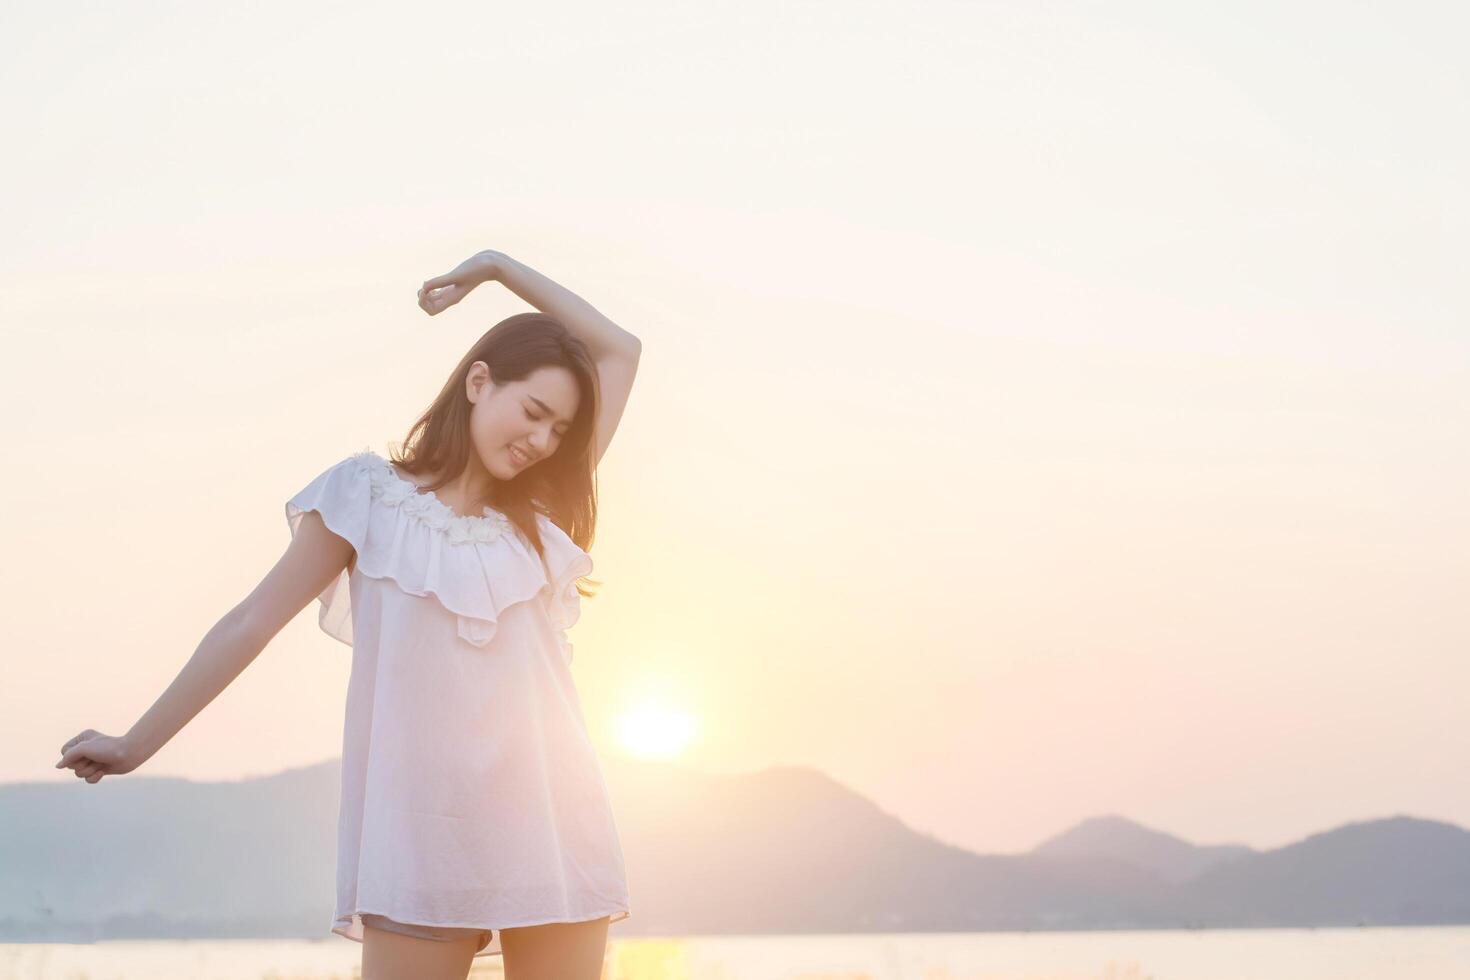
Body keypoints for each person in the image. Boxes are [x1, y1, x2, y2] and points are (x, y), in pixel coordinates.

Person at [54, 248, 643, 980]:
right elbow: (251, 622)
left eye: (559, 430)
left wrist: (495, 267)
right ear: (479, 381)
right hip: (422, 827)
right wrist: (136, 742)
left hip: (555, 820)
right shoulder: (364, 495)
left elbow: (622, 349)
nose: (543, 441)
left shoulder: (542, 516)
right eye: (534, 412)